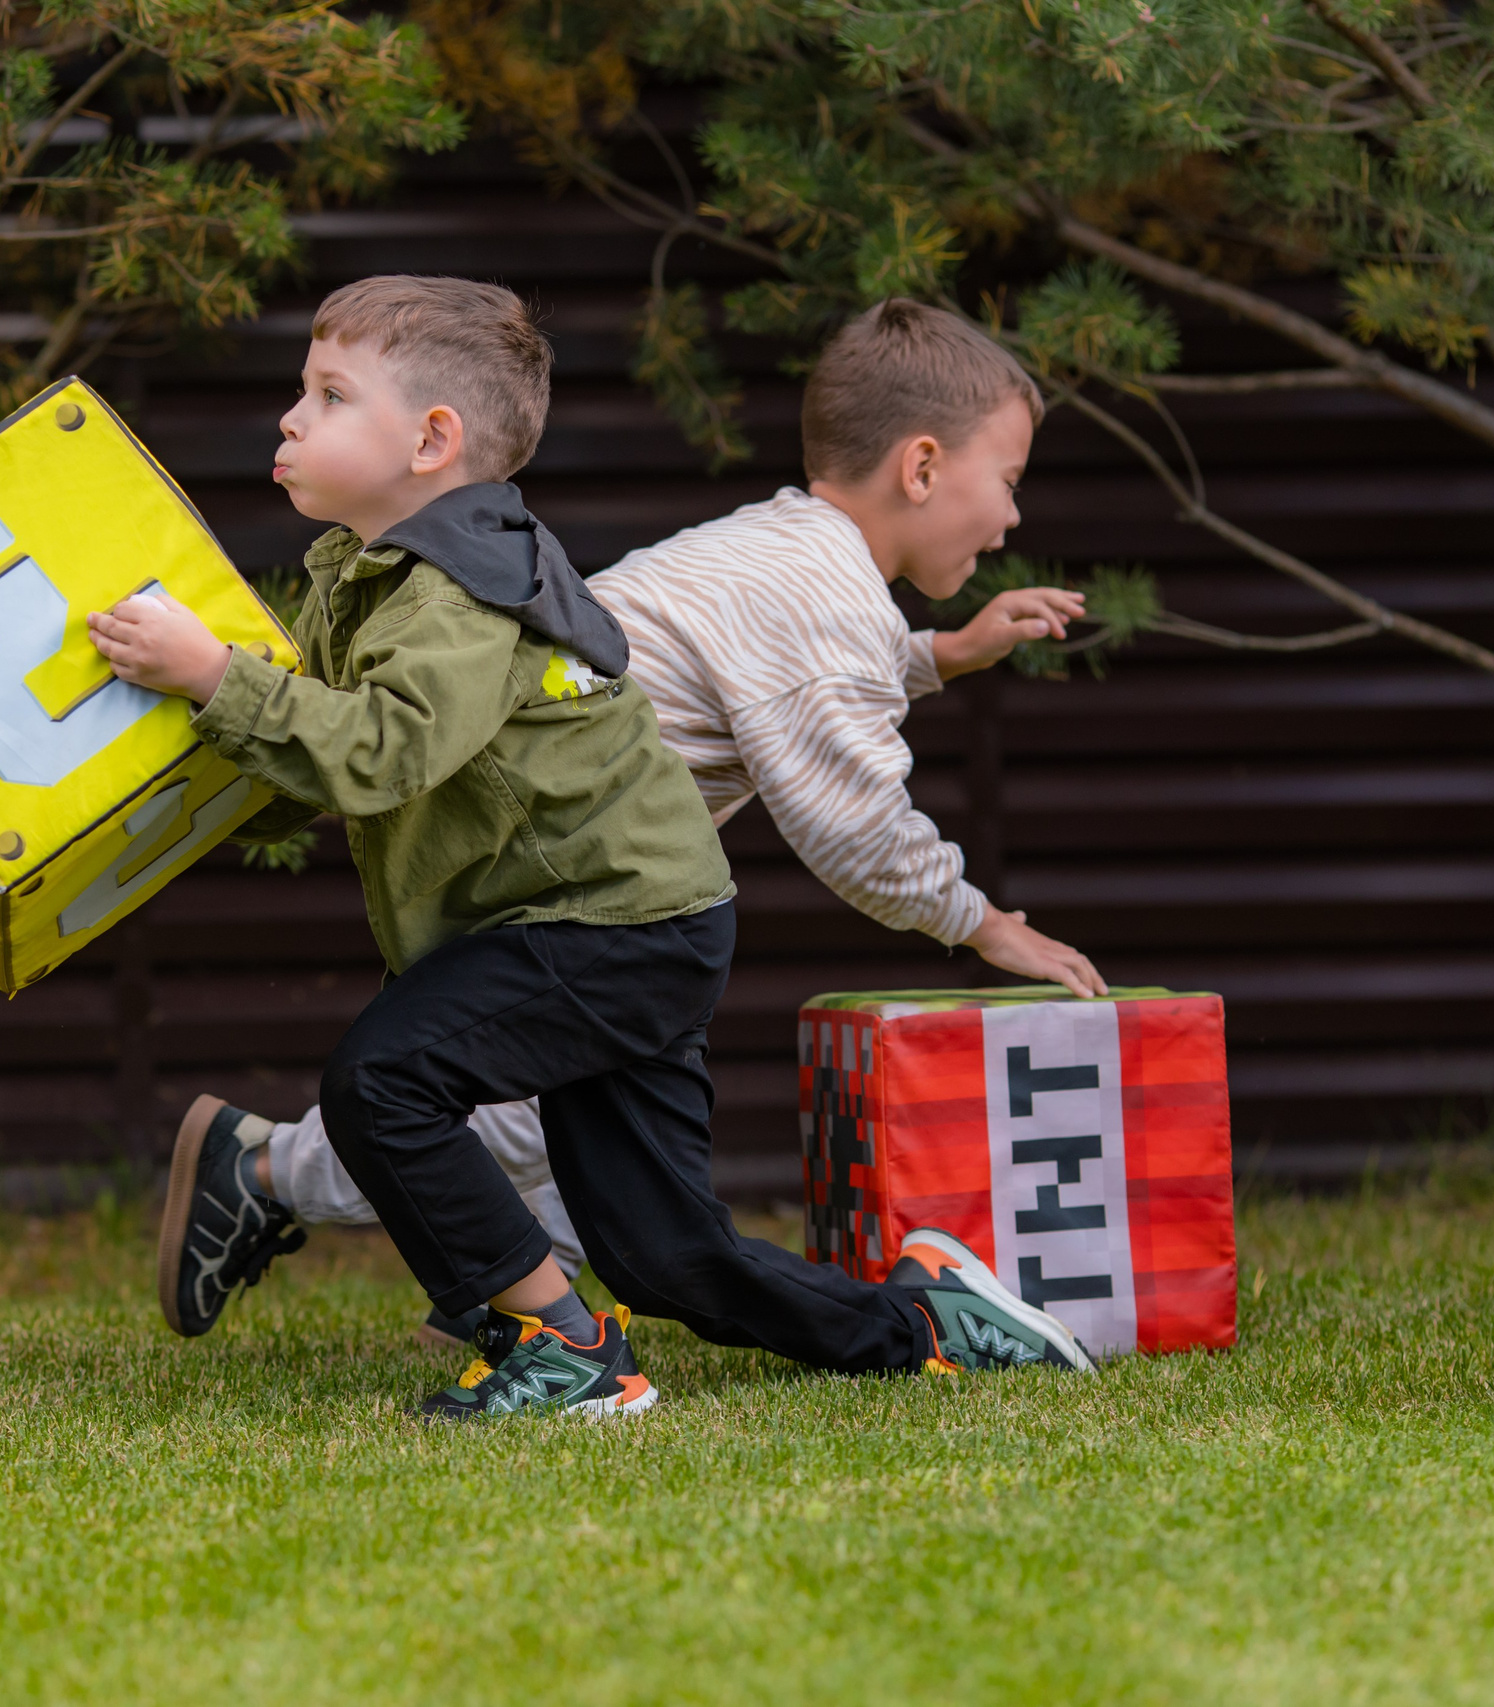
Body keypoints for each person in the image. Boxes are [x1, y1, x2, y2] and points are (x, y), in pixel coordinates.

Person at [91, 279, 1090, 1420]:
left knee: (387, 1080)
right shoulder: (375, 576)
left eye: (327, 394)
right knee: (666, 1254)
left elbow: (378, 750)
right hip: (623, 912)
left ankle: (549, 1340)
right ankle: (923, 1327)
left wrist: (215, 676)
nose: (289, 418)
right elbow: (319, 756)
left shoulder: (460, 588)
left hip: (600, 916)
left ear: (432, 442)